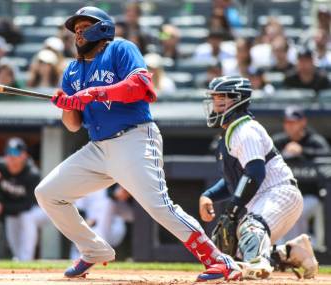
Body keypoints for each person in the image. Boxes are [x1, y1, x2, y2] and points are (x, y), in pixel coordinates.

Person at [34, 6, 242, 282]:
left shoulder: (120, 49)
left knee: (159, 206)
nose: (79, 33)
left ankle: (220, 261)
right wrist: (66, 105)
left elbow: (141, 87)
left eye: (85, 27)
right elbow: (72, 124)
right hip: (98, 148)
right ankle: (93, 249)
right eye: (76, 29)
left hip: (134, 138)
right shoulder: (72, 70)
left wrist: (93, 93)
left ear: (102, 28)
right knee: (48, 193)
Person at [198, 76, 318, 279]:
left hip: (278, 193)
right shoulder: (231, 133)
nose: (216, 102)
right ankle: (293, 252)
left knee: (250, 230)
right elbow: (235, 182)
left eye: (222, 97)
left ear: (238, 100)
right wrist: (208, 195)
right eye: (214, 97)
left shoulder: (246, 130)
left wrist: (233, 209)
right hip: (262, 200)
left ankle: (257, 265)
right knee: (235, 256)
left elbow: (255, 173)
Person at [272, 106, 330, 250]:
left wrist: (302, 151)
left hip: (311, 195)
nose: (290, 126)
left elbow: (326, 155)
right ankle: (280, 251)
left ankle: (295, 250)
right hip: (285, 195)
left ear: (303, 122)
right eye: (287, 122)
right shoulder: (279, 141)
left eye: (293, 122)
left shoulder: (314, 140)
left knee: (298, 210)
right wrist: (285, 154)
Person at [0, 137, 49, 261]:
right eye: (9, 153)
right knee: (13, 233)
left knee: (26, 217)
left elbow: (27, 205)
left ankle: (27, 259)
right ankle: (19, 259)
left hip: (39, 210)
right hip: (14, 210)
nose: (11, 157)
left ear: (24, 155)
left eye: (16, 153)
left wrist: (2, 207)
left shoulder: (32, 174)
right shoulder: (0, 166)